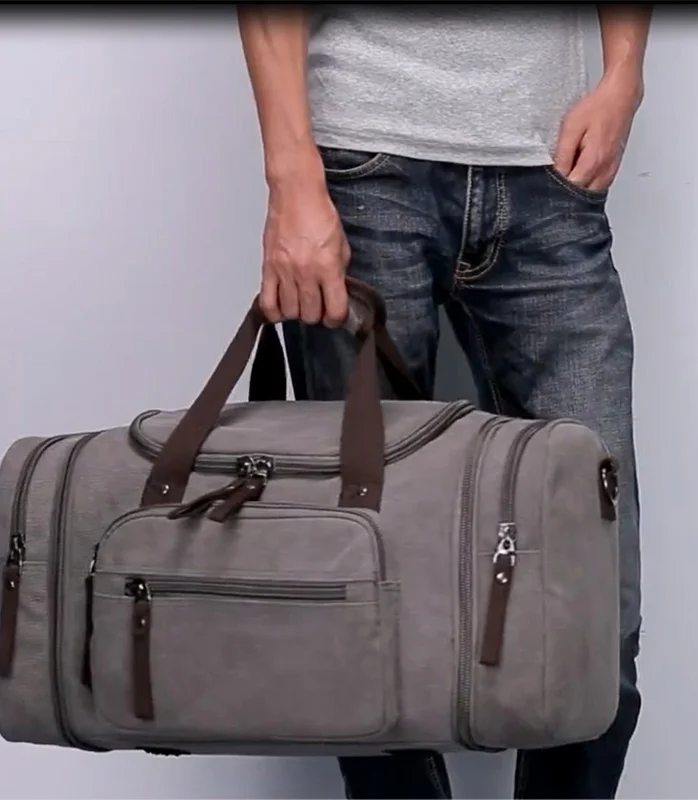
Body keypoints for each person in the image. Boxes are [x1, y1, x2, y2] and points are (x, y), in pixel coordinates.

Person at [238, 5, 651, 798]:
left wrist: (624, 76)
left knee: (600, 587)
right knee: (360, 570)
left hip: (552, 174)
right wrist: (291, 180)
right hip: (363, 166)